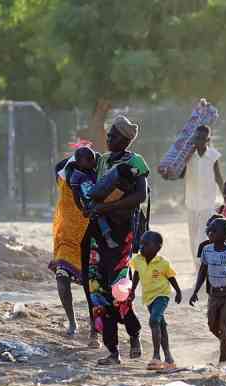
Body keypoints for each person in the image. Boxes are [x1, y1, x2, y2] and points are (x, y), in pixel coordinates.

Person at [86, 115, 150, 366]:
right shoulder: (102, 161)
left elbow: (140, 196)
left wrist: (107, 208)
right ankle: (113, 351)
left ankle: (133, 333)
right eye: (109, 135)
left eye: (113, 135)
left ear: (125, 139)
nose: (108, 138)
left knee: (119, 290)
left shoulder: (135, 162)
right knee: (97, 289)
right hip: (98, 233)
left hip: (122, 233)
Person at [50, 149, 99, 347]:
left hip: (88, 236)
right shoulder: (62, 172)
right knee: (61, 277)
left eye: (92, 160)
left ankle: (95, 330)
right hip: (66, 236)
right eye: (87, 159)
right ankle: (72, 322)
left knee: (90, 286)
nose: (91, 163)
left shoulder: (95, 179)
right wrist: (77, 154)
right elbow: (61, 164)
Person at [189, 218, 226, 367]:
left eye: (214, 231)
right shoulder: (206, 250)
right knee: (211, 325)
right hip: (214, 294)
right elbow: (202, 271)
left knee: (225, 327)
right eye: (209, 230)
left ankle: (224, 361)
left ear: (225, 234)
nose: (210, 233)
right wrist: (195, 291)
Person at [129, 231, 182, 370]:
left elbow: (171, 277)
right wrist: (133, 290)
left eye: (146, 244)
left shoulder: (162, 263)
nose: (141, 246)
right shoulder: (138, 260)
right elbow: (137, 274)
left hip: (161, 295)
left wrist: (178, 291)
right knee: (161, 325)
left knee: (154, 320)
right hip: (148, 298)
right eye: (141, 243)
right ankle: (169, 358)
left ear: (157, 247)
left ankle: (156, 357)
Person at [184, 125, 224, 271]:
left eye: (202, 138)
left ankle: (203, 267)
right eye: (197, 138)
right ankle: (197, 268)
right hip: (191, 203)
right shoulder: (188, 156)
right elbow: (180, 174)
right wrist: (185, 158)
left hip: (207, 203)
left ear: (208, 140)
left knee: (202, 237)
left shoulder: (213, 156)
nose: (198, 141)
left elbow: (219, 177)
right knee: (193, 237)